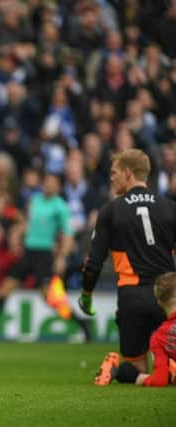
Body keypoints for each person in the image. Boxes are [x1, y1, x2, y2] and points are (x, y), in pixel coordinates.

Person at [80, 149, 176, 384]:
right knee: (170, 364)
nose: (111, 178)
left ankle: (115, 369)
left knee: (137, 365)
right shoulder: (170, 208)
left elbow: (94, 262)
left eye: (114, 173)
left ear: (127, 173)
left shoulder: (111, 211)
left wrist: (87, 294)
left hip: (131, 296)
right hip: (167, 297)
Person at [0, 173, 91, 340]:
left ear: (58, 187)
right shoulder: (36, 200)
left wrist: (61, 257)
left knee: (50, 297)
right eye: (46, 182)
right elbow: (28, 223)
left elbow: (67, 234)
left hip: (44, 255)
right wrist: (18, 235)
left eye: (52, 183)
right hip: (28, 252)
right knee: (5, 287)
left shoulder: (60, 206)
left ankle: (81, 323)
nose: (48, 185)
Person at [94, 272, 176, 387]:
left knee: (140, 368)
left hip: (128, 296)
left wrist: (142, 380)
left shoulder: (158, 338)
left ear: (159, 302)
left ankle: (118, 370)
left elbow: (159, 381)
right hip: (133, 294)